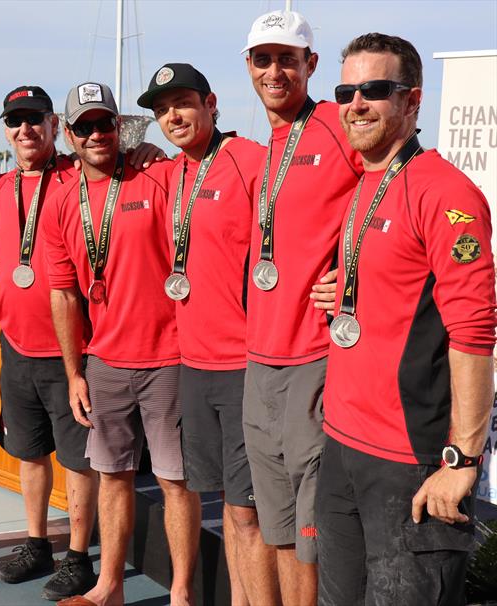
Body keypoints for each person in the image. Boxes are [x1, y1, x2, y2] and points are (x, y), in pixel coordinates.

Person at [317, 33, 496, 605]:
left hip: (408, 462)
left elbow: (474, 335)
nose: (356, 103)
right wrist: (346, 292)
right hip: (342, 446)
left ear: (412, 101)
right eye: (347, 90)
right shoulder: (363, 181)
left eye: (375, 90)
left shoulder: (446, 191)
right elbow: (400, 287)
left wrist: (462, 460)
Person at [42, 82, 201, 606]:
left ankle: (180, 594)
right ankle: (108, 587)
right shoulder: (61, 202)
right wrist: (74, 373)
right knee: (111, 477)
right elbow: (64, 296)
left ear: (120, 127)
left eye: (104, 123)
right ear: (68, 135)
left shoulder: (156, 175)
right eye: (84, 126)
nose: (95, 134)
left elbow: (205, 162)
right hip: (105, 362)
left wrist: (161, 151)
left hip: (171, 359)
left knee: (178, 482)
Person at [137, 63, 279, 605]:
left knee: (248, 513)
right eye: (161, 109)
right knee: (222, 505)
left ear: (211, 103)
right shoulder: (173, 173)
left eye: (183, 103)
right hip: (192, 366)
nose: (172, 116)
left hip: (245, 366)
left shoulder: (251, 163)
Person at [239, 10, 363, 605]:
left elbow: (403, 183)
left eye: (288, 58)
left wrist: (357, 275)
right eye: (263, 59)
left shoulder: (340, 123)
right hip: (259, 358)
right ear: (249, 67)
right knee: (280, 527)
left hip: (314, 354)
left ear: (311, 64)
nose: (275, 70)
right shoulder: (268, 146)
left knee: (313, 531)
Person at [0, 86, 99, 601]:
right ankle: (37, 545)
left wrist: (149, 149)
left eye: (34, 119)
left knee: (77, 459)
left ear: (54, 124)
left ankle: (78, 558)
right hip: (16, 348)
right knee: (29, 454)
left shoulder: (77, 179)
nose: (25, 129)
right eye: (16, 121)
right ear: (7, 129)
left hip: (69, 352)